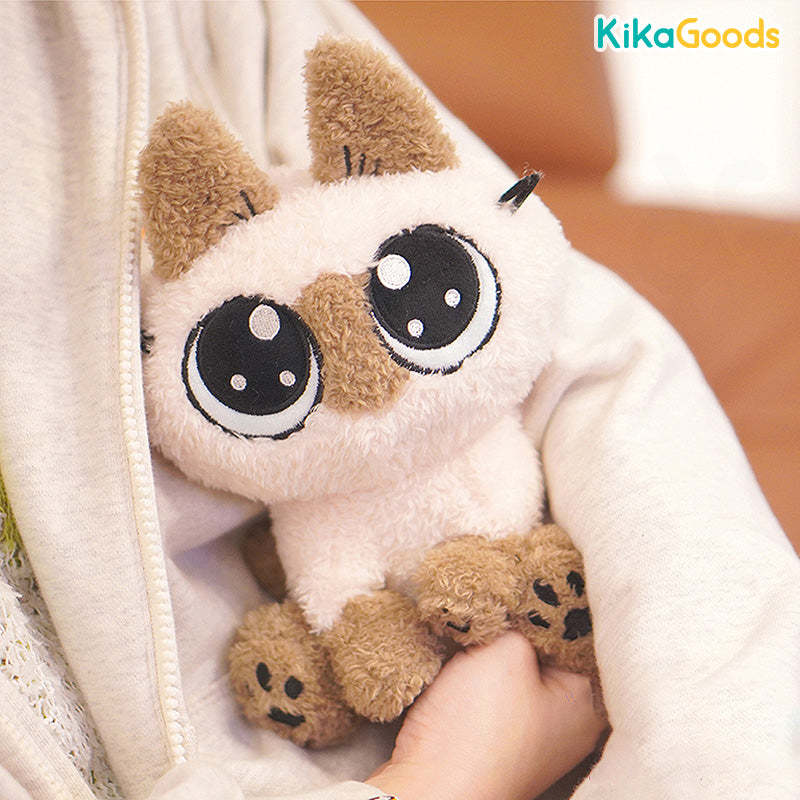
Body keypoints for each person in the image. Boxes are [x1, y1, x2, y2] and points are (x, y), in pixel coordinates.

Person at [0, 2, 797, 799]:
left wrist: (727, 765)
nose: (366, 387)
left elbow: (586, 348)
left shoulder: (172, 16)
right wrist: (443, 779)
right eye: (269, 364)